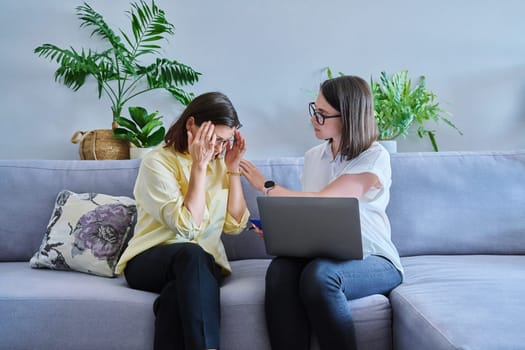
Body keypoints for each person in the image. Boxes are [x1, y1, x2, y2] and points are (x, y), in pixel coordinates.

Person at [239, 75, 404, 350]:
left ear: (349, 117)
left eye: (323, 114)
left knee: (320, 276)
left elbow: (326, 200)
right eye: (314, 110)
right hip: (324, 253)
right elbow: (313, 215)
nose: (313, 119)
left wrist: (266, 186)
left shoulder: (375, 156)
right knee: (280, 270)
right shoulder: (313, 156)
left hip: (373, 257)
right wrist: (283, 229)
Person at [115, 92, 249, 350]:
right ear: (191, 125)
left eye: (225, 141)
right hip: (149, 260)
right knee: (192, 254)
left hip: (202, 267)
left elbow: (235, 224)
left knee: (176, 296)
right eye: (215, 140)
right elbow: (187, 226)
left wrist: (232, 169)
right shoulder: (156, 162)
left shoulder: (221, 163)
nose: (219, 149)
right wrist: (198, 166)